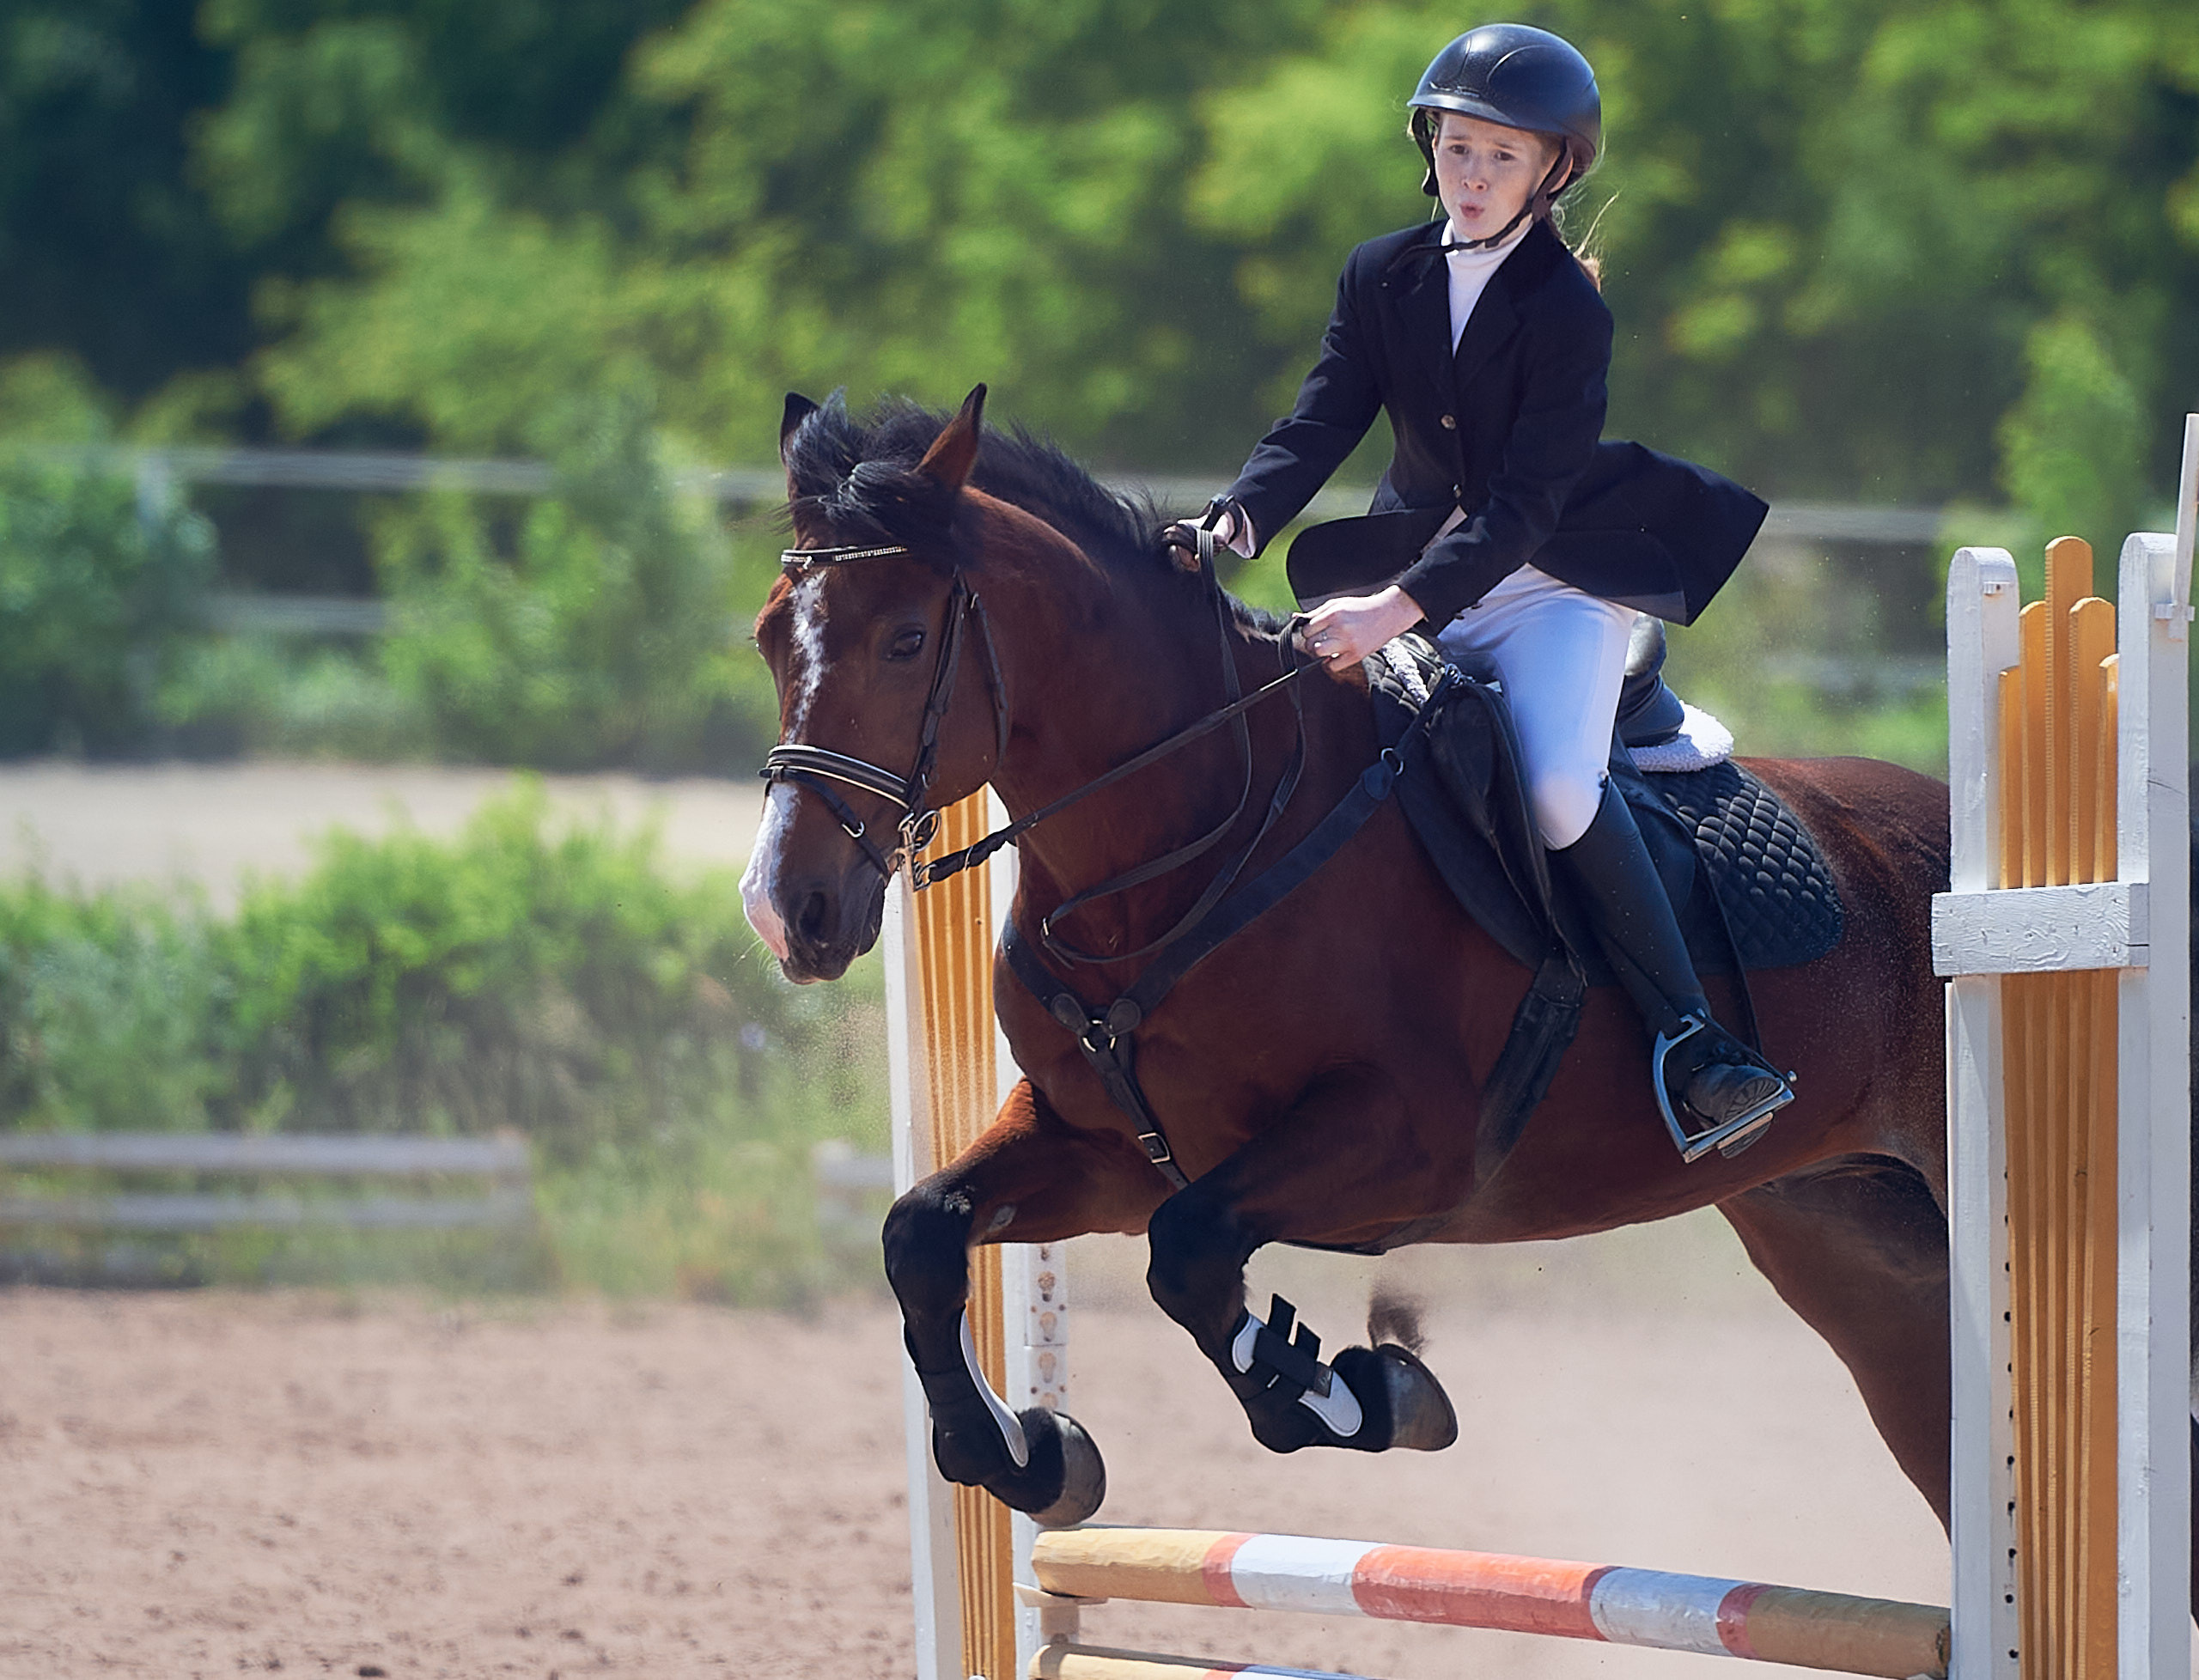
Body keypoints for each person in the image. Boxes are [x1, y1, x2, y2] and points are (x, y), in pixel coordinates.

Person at [1181, 22, 1791, 1160]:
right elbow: (1319, 420)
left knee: (1558, 789)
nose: (1471, 175)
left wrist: (1393, 610)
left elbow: (1520, 511)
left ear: (1551, 171)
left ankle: (1695, 1043)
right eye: (1458, 149)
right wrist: (1237, 521)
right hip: (1415, 576)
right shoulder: (1382, 275)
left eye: (1500, 158)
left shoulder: (1569, 311)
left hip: (1548, 584)